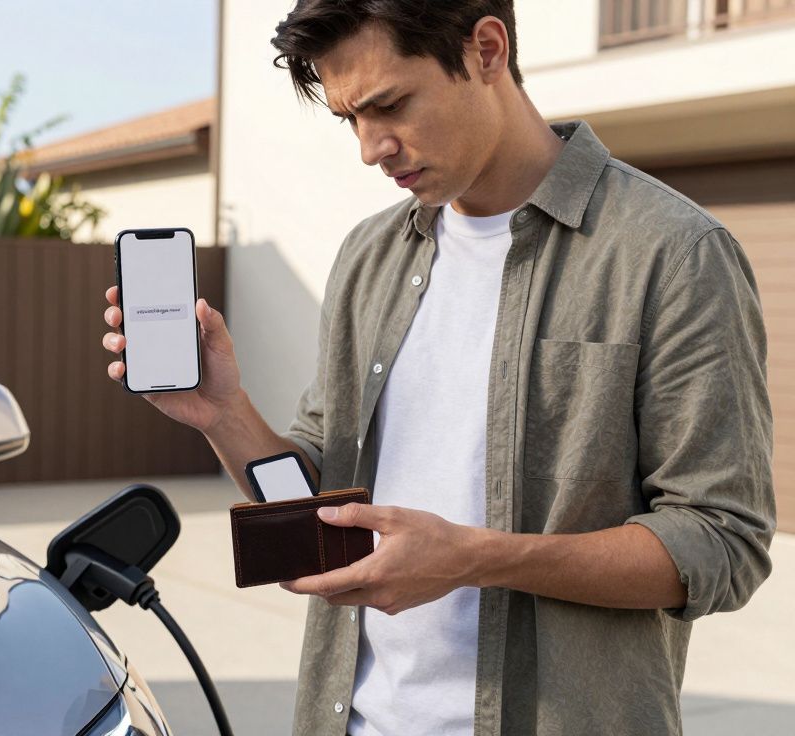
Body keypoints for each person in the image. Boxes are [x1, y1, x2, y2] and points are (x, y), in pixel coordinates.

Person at [101, 1, 777, 734]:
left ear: (487, 49)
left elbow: (720, 539)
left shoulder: (670, 253)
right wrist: (222, 412)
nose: (370, 148)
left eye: (389, 104)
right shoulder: (370, 257)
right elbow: (324, 493)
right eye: (349, 118)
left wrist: (475, 558)